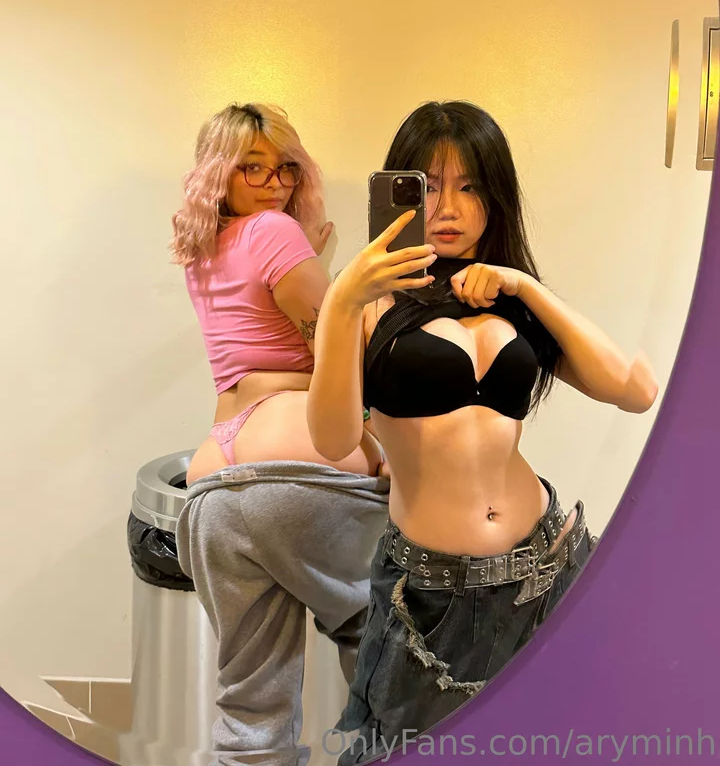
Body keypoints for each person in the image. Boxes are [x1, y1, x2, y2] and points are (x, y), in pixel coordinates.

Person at [307, 101, 658, 763]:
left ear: (496, 197)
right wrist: (343, 300)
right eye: (429, 186)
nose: (448, 207)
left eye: (470, 186)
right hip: (431, 597)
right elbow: (331, 440)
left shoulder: (508, 298)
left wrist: (524, 286)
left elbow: (632, 390)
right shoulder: (368, 302)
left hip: (546, 565)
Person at [171, 102, 390, 766]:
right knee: (385, 662)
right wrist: (368, 297)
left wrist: (313, 261)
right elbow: (343, 350)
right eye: (253, 168)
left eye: (285, 169)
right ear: (219, 172)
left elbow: (255, 343)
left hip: (215, 480)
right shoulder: (274, 231)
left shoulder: (202, 248)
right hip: (296, 461)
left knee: (251, 708)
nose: (273, 183)